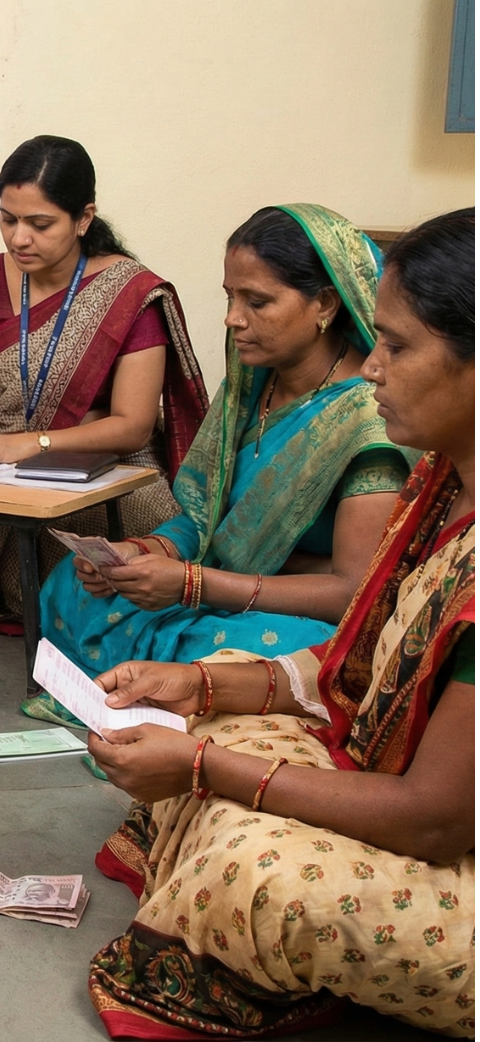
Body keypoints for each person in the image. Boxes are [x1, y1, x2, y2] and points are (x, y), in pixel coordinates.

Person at [83, 209, 474, 1039]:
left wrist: (204, 767)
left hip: (450, 845)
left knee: (254, 870)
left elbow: (435, 819)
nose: (373, 366)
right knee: (209, 713)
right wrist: (202, 685)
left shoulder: (378, 445)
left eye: (397, 346)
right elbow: (365, 659)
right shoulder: (444, 483)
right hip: (384, 764)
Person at [33, 205, 410, 720]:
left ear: (324, 303)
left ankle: (147, 702)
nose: (234, 318)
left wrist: (192, 584)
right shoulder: (252, 386)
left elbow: (353, 591)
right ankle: (136, 699)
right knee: (72, 583)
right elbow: (203, 518)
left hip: (299, 613)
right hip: (218, 585)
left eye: (257, 301)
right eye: (231, 297)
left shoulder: (368, 421)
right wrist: (138, 554)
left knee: (229, 654)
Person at [0, 136, 209, 630]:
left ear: (83, 219)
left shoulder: (130, 294)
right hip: (1, 463)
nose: (19, 238)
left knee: (123, 551)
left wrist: (32, 443)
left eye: (40, 225)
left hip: (108, 470)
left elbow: (132, 426)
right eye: (8, 219)